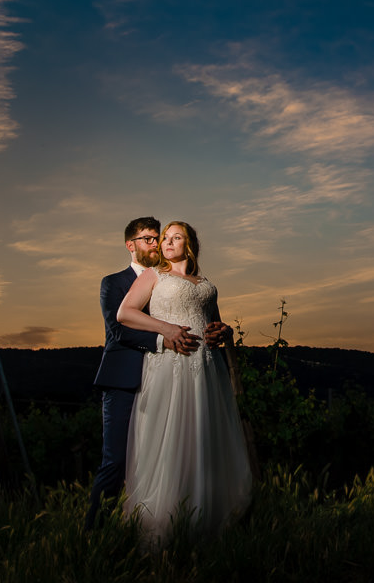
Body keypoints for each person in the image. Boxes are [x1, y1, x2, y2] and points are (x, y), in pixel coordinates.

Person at [118, 220, 252, 543]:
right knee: (171, 435)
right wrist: (165, 329)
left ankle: (206, 516)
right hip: (171, 365)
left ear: (189, 245)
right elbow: (125, 313)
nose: (168, 242)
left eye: (176, 237)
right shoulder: (155, 276)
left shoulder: (204, 283)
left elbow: (215, 321)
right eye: (165, 237)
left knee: (204, 434)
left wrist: (224, 332)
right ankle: (165, 521)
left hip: (206, 368)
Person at [84, 217, 185, 531]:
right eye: (147, 239)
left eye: (157, 238)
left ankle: (151, 528)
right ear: (130, 245)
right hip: (124, 379)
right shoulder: (112, 283)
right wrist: (161, 339)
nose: (154, 244)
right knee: (116, 461)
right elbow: (117, 330)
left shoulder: (170, 281)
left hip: (167, 377)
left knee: (161, 459)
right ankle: (94, 533)